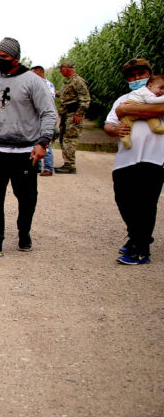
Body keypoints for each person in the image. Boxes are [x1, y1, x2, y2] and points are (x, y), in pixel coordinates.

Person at [0, 38, 57, 258]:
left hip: (25, 151)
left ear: (16, 57)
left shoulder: (33, 81)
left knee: (27, 197)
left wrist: (43, 142)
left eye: (4, 57)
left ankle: (24, 233)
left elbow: (49, 113)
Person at [103, 59, 164, 265]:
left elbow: (156, 111)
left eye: (141, 73)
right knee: (124, 201)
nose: (136, 78)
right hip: (125, 159)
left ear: (150, 73)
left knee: (146, 203)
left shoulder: (160, 95)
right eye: (132, 75)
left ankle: (140, 249)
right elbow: (109, 124)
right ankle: (137, 237)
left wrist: (126, 111)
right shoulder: (122, 99)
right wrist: (115, 129)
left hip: (154, 158)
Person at [55, 61, 90, 174]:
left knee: (69, 139)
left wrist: (79, 114)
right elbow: (66, 95)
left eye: (61, 69)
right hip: (66, 115)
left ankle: (70, 165)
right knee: (63, 139)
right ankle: (67, 163)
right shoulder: (70, 82)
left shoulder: (78, 81)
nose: (60, 71)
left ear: (67, 69)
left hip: (73, 115)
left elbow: (85, 99)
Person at [116, 74, 164, 148]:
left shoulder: (154, 94)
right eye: (161, 88)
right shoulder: (145, 91)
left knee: (152, 117)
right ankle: (125, 138)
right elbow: (151, 101)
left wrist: (123, 109)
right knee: (126, 124)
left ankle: (157, 128)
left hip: (138, 108)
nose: (162, 91)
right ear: (150, 86)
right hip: (133, 103)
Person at [30, 66, 58, 176]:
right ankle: (37, 166)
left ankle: (48, 167)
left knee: (44, 142)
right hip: (39, 116)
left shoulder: (42, 85)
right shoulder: (48, 84)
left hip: (43, 117)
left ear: (38, 73)